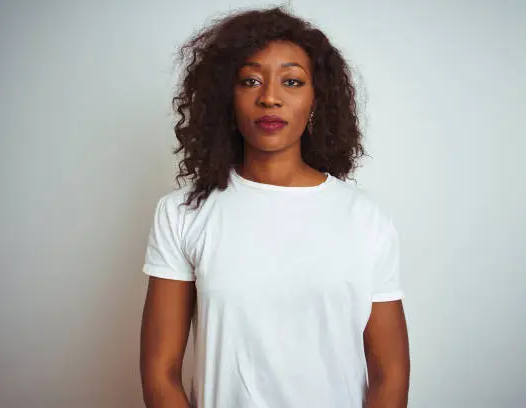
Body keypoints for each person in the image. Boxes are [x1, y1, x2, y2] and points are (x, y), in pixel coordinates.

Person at [140, 6, 410, 408]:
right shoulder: (182, 212)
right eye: (250, 81)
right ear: (226, 98)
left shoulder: (365, 219)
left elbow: (390, 375)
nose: (269, 97)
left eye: (291, 81)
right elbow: (159, 372)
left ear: (317, 99)